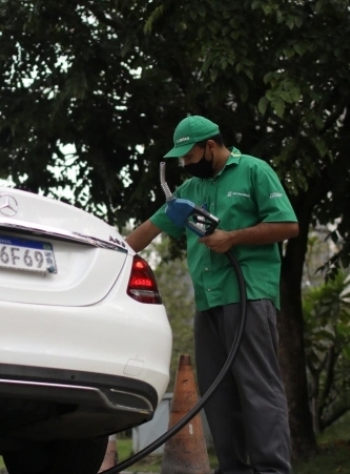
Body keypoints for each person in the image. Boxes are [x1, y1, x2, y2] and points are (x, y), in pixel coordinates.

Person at [126, 116, 299, 474]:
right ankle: (233, 468)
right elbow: (147, 231)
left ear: (210, 146)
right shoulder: (190, 191)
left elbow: (288, 225)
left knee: (257, 386)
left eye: (189, 157)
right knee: (218, 392)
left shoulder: (253, 170)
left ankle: (271, 469)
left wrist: (232, 237)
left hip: (248, 293)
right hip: (209, 300)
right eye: (181, 161)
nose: (186, 165)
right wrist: (110, 251)